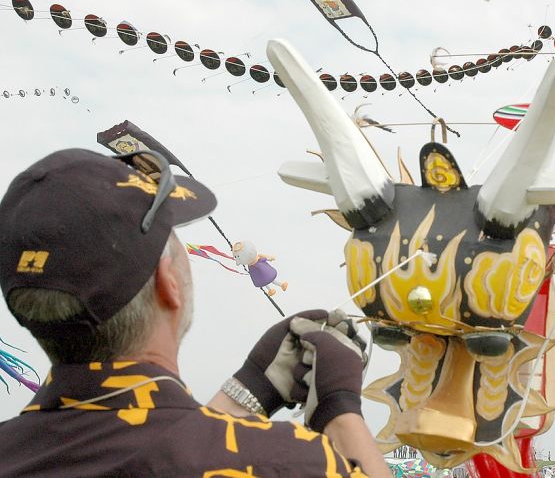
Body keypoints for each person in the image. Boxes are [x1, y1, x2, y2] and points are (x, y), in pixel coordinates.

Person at [0, 148, 393, 478]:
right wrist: (341, 411)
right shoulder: (287, 463)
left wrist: (245, 394)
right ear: (168, 282)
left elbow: (145, 449)